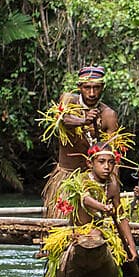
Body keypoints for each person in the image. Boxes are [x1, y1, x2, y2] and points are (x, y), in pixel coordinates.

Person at [47, 139, 139, 277]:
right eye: (101, 162)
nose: (107, 167)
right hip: (81, 230)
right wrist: (103, 207)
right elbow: (85, 198)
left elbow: (121, 215)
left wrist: (131, 246)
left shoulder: (113, 184)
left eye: (111, 162)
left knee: (123, 254)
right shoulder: (80, 179)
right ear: (90, 163)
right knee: (64, 251)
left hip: (103, 232)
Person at [41, 65, 119, 215]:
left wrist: (113, 186)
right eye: (87, 87)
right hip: (66, 177)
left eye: (96, 88)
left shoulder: (108, 115)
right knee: (60, 226)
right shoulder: (68, 100)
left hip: (93, 181)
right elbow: (62, 119)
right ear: (79, 87)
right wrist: (84, 121)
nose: (91, 93)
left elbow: (113, 156)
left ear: (102, 87)